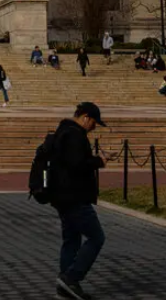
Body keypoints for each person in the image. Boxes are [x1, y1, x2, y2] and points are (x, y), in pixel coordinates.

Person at [49, 102, 109, 300]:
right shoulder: (75, 135)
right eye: (93, 122)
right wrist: (99, 161)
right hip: (74, 196)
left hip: (62, 196)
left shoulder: (64, 131)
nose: (93, 127)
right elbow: (76, 165)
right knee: (96, 237)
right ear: (85, 117)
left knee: (72, 239)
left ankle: (65, 286)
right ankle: (71, 278)